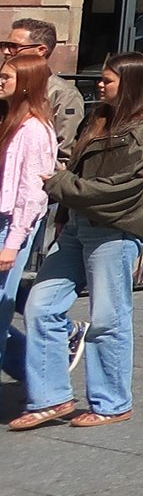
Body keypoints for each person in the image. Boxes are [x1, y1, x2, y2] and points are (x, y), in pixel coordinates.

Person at [13, 52, 143, 430]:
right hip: (79, 226)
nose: (99, 84)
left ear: (129, 84)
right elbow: (81, 170)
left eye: (107, 80)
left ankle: (112, 403)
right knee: (41, 306)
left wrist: (60, 185)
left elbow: (121, 188)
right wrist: (64, 214)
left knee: (108, 318)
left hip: (113, 231)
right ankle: (50, 398)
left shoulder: (137, 132)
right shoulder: (99, 118)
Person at [0, 58, 53, 372]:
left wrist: (12, 243)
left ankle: (39, 372)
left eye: (6, 77)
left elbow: (32, 193)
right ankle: (34, 374)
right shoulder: (11, 121)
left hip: (9, 225)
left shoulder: (34, 130)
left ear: (25, 84)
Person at [4, 22, 81, 157]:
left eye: (14, 46)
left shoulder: (63, 94)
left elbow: (63, 152)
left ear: (41, 50)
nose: (6, 51)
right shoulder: (5, 88)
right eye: (5, 45)